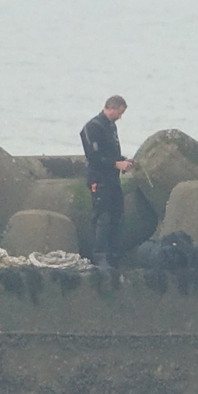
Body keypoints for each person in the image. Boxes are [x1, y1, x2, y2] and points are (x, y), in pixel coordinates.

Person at [81, 95, 133, 267]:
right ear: (111, 108)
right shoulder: (92, 127)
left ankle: (113, 253)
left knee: (117, 214)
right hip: (98, 178)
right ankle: (99, 255)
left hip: (112, 179)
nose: (120, 117)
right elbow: (94, 157)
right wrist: (116, 163)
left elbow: (112, 153)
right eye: (119, 112)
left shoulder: (111, 127)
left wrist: (124, 161)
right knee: (102, 217)